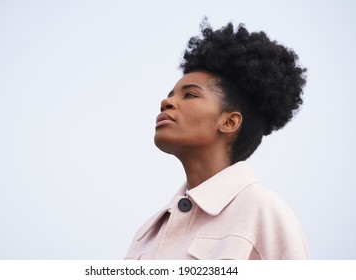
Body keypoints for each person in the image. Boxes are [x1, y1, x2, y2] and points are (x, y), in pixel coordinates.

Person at [125, 20, 308, 260]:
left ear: (229, 122)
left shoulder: (262, 212)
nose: (166, 102)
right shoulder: (147, 234)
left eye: (189, 95)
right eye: (170, 95)